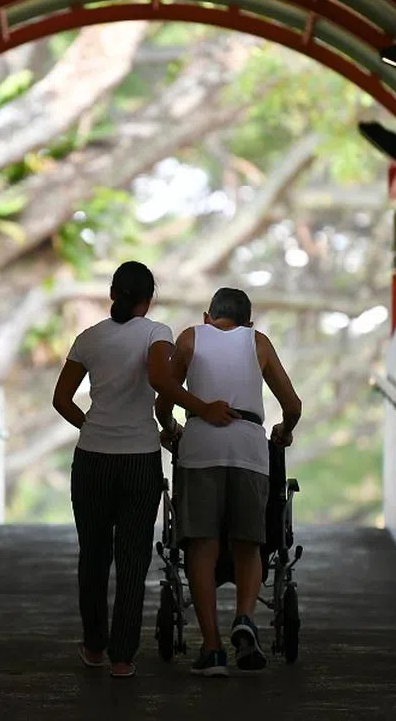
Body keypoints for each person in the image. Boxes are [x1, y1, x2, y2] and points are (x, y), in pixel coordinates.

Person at [52, 261, 238, 678]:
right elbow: (159, 378)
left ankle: (95, 648)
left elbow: (62, 399)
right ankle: (122, 657)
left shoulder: (88, 338)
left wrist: (93, 426)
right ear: (148, 299)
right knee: (133, 559)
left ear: (112, 293)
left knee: (94, 557)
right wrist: (201, 407)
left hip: (92, 461)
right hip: (139, 459)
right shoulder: (157, 333)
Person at [155, 287, 302, 677]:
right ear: (248, 322)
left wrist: (170, 430)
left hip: (200, 445)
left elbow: (163, 402)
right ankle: (244, 617)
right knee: (248, 544)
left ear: (208, 317)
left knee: (202, 547)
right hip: (249, 448)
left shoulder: (190, 337)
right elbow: (293, 405)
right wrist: (284, 431)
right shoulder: (258, 342)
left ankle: (213, 650)